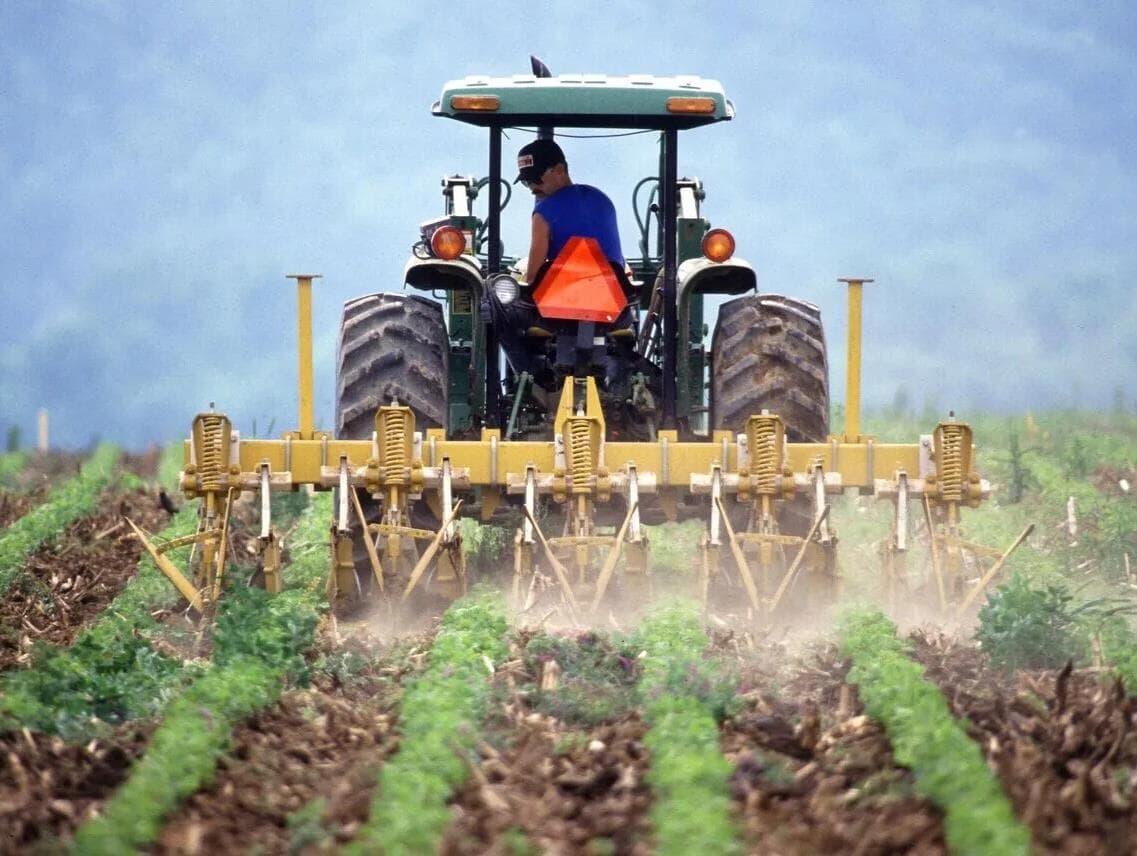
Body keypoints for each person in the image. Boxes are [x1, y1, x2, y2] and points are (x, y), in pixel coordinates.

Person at [484, 139, 628, 377]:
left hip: (558, 315)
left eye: (536, 180)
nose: (532, 188)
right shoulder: (603, 201)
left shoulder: (543, 212)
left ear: (560, 170)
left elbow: (532, 277)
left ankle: (527, 375)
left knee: (492, 295)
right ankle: (622, 376)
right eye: (527, 182)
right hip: (614, 313)